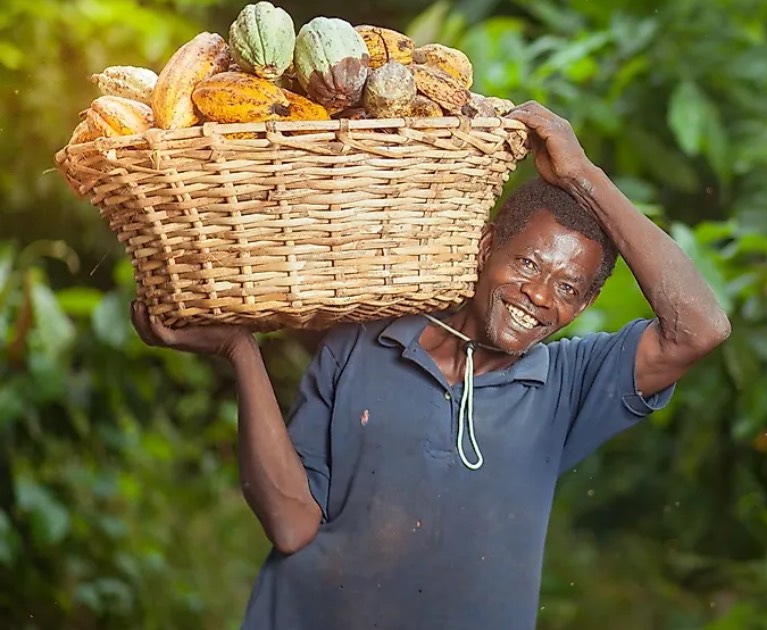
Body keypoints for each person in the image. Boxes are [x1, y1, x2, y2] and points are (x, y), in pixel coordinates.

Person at [130, 101, 731, 630]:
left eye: (569, 288)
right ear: (486, 243)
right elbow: (290, 525)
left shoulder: (568, 386)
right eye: (527, 264)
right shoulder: (362, 343)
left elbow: (700, 327)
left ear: (586, 303)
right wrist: (241, 350)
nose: (540, 297)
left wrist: (584, 175)